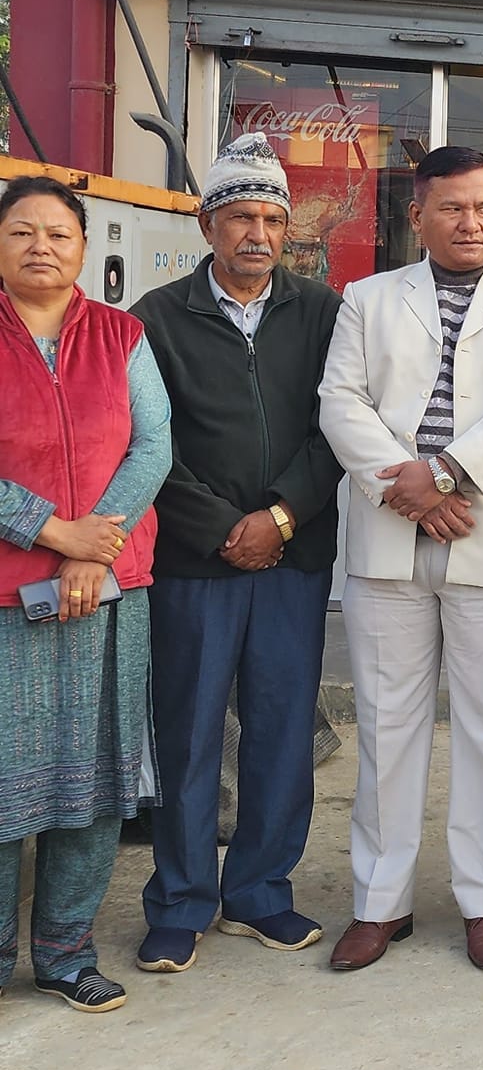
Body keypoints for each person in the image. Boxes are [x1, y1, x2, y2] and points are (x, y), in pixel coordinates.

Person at [318, 145, 483, 973]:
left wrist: (446, 475)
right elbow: (340, 401)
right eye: (454, 208)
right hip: (388, 538)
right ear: (417, 215)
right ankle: (379, 902)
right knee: (386, 726)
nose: (472, 222)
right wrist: (411, 489)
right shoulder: (367, 298)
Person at [131, 135, 343, 972]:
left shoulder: (323, 312)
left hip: (293, 558)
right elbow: (146, 442)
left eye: (272, 219)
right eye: (241, 217)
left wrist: (281, 517)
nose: (258, 233)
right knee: (188, 734)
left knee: (283, 730)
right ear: (206, 223)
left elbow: (338, 426)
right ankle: (181, 901)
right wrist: (225, 527)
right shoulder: (155, 318)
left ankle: (259, 892)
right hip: (196, 563)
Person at [0, 175, 171, 1013]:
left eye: (59, 233)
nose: (41, 246)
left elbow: (154, 444)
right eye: (22, 232)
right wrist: (50, 531)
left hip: (107, 593)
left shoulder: (121, 334)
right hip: (6, 598)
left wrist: (91, 546)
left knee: (95, 782)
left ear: (83, 247)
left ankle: (67, 954)